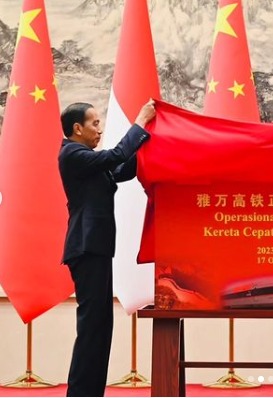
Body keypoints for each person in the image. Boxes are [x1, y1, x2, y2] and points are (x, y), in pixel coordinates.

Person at [58, 99, 156, 397]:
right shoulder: (73, 154)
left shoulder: (88, 159)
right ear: (78, 128)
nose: (99, 129)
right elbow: (116, 155)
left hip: (97, 248)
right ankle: (81, 393)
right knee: (92, 326)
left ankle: (89, 392)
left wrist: (153, 140)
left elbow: (122, 167)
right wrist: (140, 121)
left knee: (100, 326)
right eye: (95, 123)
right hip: (87, 248)